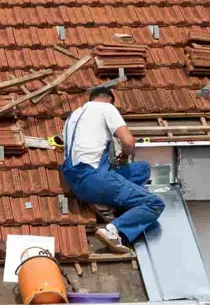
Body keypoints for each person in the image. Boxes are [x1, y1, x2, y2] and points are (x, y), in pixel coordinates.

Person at [60, 87, 164, 253]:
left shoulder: (73, 116)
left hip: (75, 181)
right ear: (109, 99)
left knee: (142, 169)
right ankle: (113, 230)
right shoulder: (107, 108)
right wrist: (123, 157)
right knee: (154, 203)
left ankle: (115, 200)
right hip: (95, 179)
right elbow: (128, 142)